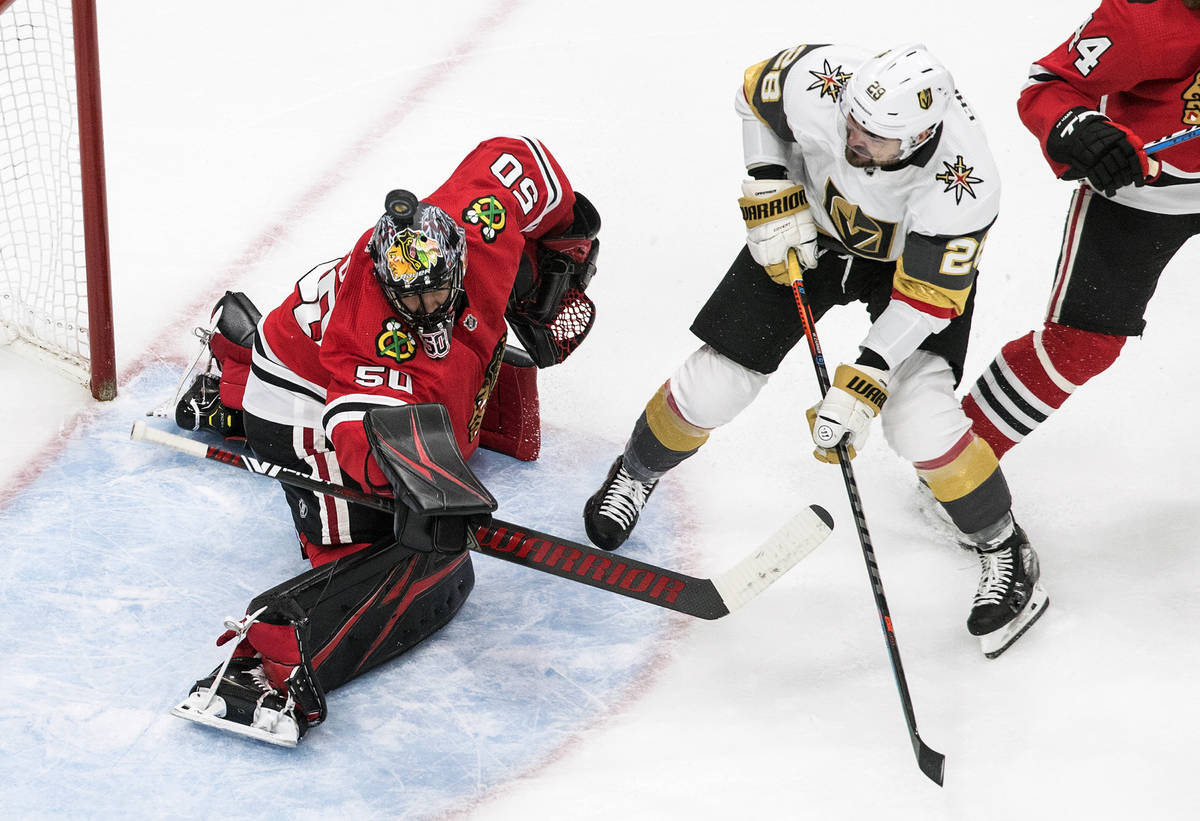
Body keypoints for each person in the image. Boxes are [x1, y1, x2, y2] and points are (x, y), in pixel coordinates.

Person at [583, 43, 1047, 658]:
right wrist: (771, 181)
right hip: (809, 230)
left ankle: (1002, 544)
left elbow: (929, 300)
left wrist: (868, 375)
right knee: (717, 382)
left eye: (876, 140)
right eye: (853, 123)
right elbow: (755, 97)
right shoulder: (827, 81)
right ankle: (635, 473)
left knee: (918, 422)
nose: (855, 140)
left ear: (920, 137)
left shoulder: (965, 185)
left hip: (908, 275)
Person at [169, 135, 601, 745]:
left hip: (309, 336)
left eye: (436, 291)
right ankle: (266, 667)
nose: (425, 309)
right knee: (393, 546)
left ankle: (229, 369)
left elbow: (522, 157)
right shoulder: (374, 338)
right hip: (304, 395)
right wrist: (424, 494)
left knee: (449, 438)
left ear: (459, 259)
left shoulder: (481, 224)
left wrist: (563, 244)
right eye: (410, 298)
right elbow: (357, 431)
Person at [963, 1, 1200, 462]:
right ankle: (961, 459)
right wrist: (1084, 130)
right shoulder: (1142, 18)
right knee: (1081, 346)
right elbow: (1048, 86)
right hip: (1144, 192)